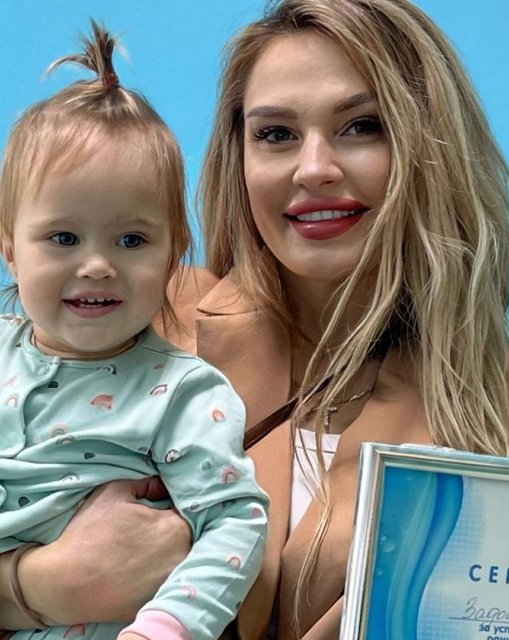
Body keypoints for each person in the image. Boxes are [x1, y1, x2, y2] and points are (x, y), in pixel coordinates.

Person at [0, 1, 509, 639]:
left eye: (362, 126)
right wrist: (35, 586)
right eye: (275, 134)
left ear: (430, 145)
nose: (315, 168)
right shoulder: (132, 320)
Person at [0, 21, 267, 640]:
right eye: (63, 237)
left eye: (131, 240)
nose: (97, 265)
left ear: (173, 255)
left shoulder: (183, 394)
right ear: (11, 249)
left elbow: (234, 522)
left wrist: (165, 628)